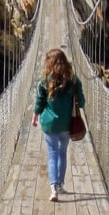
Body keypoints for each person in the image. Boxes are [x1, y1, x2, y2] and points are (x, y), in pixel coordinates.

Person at [32, 48, 85, 202]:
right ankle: (60, 185)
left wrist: (35, 117)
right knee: (62, 153)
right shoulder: (73, 80)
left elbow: (39, 101)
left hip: (49, 124)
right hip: (66, 124)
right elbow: (81, 102)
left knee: (52, 154)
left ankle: (53, 189)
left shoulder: (44, 80)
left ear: (49, 63)